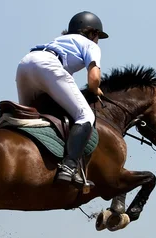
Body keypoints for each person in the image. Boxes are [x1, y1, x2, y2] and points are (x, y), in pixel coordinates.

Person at [15, 11, 108, 187]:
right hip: (48, 66)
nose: (97, 40)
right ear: (93, 33)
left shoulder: (60, 41)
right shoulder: (90, 44)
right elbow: (94, 79)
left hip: (25, 64)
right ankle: (69, 166)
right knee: (86, 116)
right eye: (98, 36)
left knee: (27, 118)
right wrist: (96, 90)